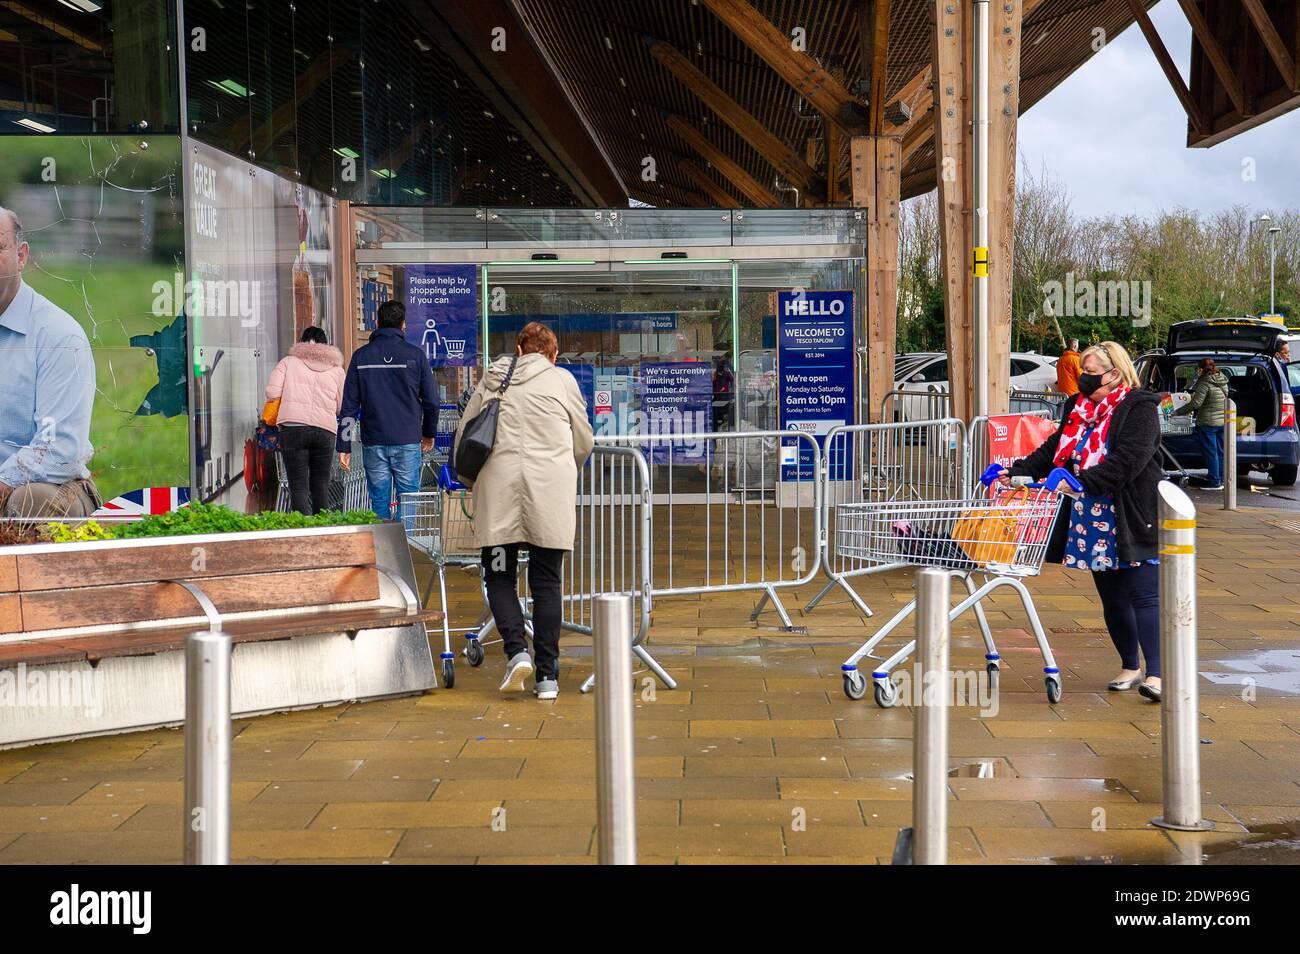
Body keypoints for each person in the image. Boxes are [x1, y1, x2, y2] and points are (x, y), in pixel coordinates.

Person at [1000, 341, 1164, 701]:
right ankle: (1129, 665)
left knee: (1143, 594)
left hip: (1132, 512)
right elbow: (1054, 449)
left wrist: (1082, 481)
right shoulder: (1078, 407)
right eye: (1083, 371)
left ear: (1115, 374)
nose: (1083, 378)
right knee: (1113, 598)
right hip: (1091, 516)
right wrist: (1016, 470)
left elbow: (1129, 461)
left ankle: (1157, 673)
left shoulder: (1139, 408)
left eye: (1090, 372)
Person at [453, 321, 594, 701]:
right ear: (552, 354)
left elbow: (465, 436)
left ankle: (516, 652)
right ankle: (548, 676)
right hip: (549, 496)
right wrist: (562, 468)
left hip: (498, 496)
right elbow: (584, 441)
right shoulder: (562, 381)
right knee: (547, 582)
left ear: (518, 350)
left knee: (499, 576)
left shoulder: (494, 379)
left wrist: (470, 482)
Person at [0, 206, 102, 518]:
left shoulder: (59, 336)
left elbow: (57, 449)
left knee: (32, 501)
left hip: (49, 487)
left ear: (21, 256)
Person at [338, 300, 438, 520]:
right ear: (403, 325)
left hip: (374, 440)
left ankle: (383, 550)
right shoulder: (416, 356)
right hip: (408, 440)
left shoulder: (361, 357)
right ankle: (404, 549)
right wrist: (429, 433)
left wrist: (343, 444)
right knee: (409, 498)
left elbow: (349, 406)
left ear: (377, 322)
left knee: (379, 502)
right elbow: (432, 400)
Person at [265, 326, 346, 514]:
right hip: (325, 430)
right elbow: (342, 404)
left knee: (298, 485)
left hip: (293, 428)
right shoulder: (337, 370)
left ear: (302, 342)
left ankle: (302, 531)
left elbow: (272, 392)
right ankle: (322, 529)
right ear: (326, 345)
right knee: (321, 484)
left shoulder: (288, 362)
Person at [1172, 357, 1229, 491]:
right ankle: (1221, 479)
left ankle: (1214, 482)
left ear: (1201, 369)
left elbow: (1196, 403)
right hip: (1222, 421)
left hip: (1208, 422)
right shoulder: (1222, 380)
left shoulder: (1204, 382)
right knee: (1220, 452)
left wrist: (1177, 412)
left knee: (1211, 452)